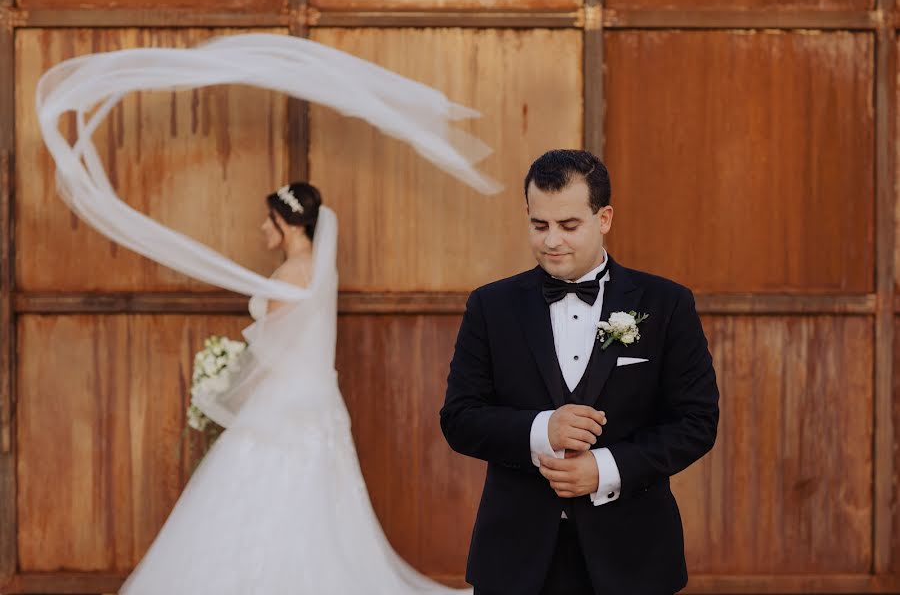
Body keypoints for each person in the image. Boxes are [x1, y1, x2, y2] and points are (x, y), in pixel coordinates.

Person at [120, 182, 471, 595]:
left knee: (259, 499)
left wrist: (229, 389)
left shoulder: (288, 273)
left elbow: (271, 355)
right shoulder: (321, 270)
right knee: (317, 506)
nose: (261, 228)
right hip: (318, 401)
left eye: (268, 221)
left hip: (281, 402)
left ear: (285, 224)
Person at [440, 150, 720, 594]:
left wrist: (605, 468)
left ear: (604, 218)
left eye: (569, 226)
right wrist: (541, 430)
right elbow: (459, 418)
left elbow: (697, 423)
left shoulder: (667, 304)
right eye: (539, 225)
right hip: (516, 558)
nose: (552, 241)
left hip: (634, 557)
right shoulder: (490, 306)